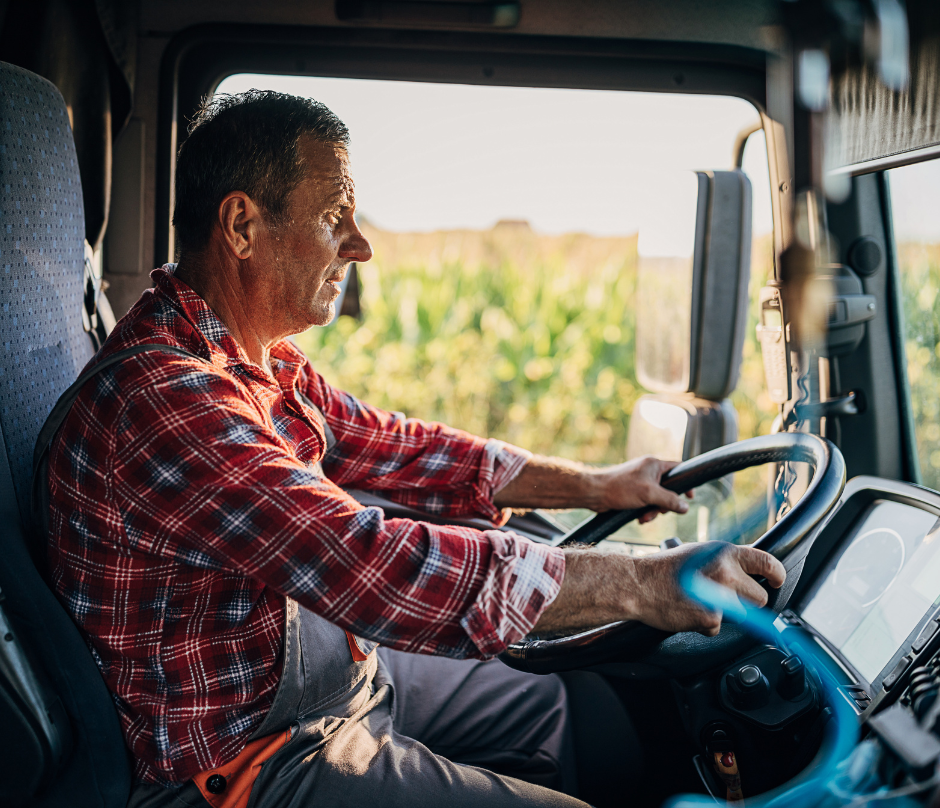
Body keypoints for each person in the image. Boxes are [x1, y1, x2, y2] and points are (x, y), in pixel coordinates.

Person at [46, 90, 785, 808]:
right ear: (241, 226)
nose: (360, 245)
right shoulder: (165, 401)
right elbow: (368, 561)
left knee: (546, 713)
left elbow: (396, 448)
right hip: (242, 760)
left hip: (327, 681)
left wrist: (601, 486)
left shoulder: (252, 360)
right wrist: (645, 582)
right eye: (337, 216)